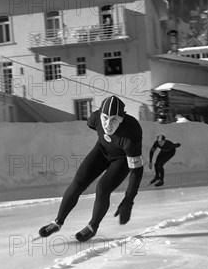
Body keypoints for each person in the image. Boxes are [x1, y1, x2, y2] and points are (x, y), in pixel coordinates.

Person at [38, 95, 144, 242]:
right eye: (105, 117)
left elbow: (136, 171)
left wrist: (128, 200)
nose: (108, 124)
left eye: (114, 119)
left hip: (122, 159)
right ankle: (58, 222)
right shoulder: (94, 119)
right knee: (78, 182)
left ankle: (93, 226)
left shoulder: (131, 134)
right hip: (101, 150)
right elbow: (99, 129)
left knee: (102, 188)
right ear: (99, 114)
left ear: (122, 118)